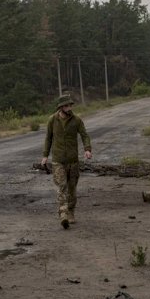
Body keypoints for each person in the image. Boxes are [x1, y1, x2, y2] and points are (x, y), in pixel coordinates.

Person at [41, 93, 92, 229]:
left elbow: (84, 135)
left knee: (72, 189)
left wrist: (87, 149)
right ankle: (63, 214)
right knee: (61, 187)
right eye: (67, 105)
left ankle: (71, 212)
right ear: (61, 107)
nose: (69, 107)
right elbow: (48, 138)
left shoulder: (76, 120)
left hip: (73, 160)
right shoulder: (52, 120)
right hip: (58, 160)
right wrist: (45, 155)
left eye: (70, 105)